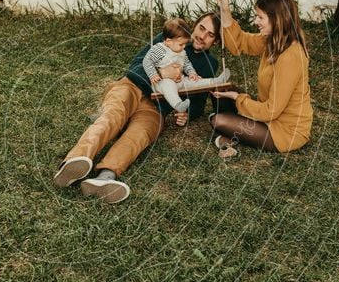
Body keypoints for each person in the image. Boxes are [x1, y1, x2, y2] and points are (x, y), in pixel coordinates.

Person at [53, 13, 222, 204]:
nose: (202, 36)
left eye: (210, 35)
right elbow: (136, 65)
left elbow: (199, 102)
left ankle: (105, 178)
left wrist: (186, 113)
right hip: (132, 87)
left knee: (139, 135)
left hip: (158, 106)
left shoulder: (210, 64)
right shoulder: (168, 37)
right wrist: (160, 72)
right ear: (194, 26)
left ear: (215, 41)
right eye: (201, 28)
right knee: (112, 117)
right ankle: (74, 161)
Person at [210, 0, 313, 156]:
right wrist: (225, 9)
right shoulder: (272, 40)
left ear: (277, 19)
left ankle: (231, 133)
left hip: (285, 130)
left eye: (260, 17)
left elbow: (271, 111)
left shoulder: (290, 57)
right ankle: (233, 134)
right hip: (267, 117)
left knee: (218, 120)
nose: (255, 21)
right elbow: (239, 42)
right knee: (220, 89)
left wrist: (238, 99)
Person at [142, 18, 230, 113]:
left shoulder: (182, 50)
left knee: (195, 81)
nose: (184, 47)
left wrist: (192, 73)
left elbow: (187, 64)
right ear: (168, 41)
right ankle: (178, 104)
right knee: (168, 86)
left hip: (181, 81)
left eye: (211, 35)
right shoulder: (160, 48)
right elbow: (147, 61)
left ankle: (215, 81)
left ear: (216, 41)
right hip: (162, 82)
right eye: (181, 44)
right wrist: (154, 74)